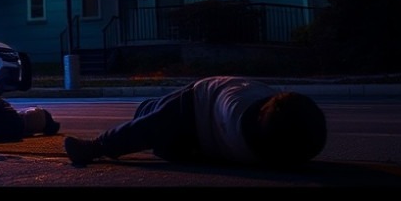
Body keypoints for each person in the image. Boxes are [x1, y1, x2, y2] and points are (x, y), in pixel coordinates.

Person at [63, 75, 327, 168]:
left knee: (149, 123)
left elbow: (217, 88)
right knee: (159, 136)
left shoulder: (238, 105)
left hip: (195, 105)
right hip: (200, 134)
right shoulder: (265, 152)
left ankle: (95, 147)